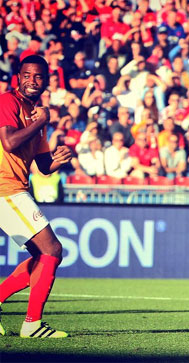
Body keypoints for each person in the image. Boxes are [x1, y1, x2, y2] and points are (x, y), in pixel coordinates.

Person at [0, 55, 72, 338]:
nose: (32, 80)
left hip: (17, 187)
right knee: (52, 250)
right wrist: (41, 121)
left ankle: (28, 320)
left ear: (46, 81)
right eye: (27, 75)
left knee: (43, 256)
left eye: (39, 76)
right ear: (18, 76)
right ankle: (31, 324)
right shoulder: (8, 101)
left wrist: (58, 159)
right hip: (5, 188)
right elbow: (9, 142)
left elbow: (42, 167)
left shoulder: (37, 114)